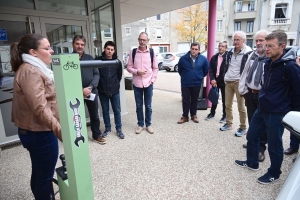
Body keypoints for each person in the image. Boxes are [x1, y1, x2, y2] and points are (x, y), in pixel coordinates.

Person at [235, 31, 300, 184]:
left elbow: (298, 92)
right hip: (262, 108)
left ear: (282, 46)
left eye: (271, 46)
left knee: (274, 144)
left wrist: (294, 113)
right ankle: (252, 163)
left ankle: (274, 173)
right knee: (251, 136)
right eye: (266, 45)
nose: (267, 49)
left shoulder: (290, 66)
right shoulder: (268, 62)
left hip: (277, 112)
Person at [10, 33, 62, 200]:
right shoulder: (31, 71)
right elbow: (40, 107)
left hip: (36, 131)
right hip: (40, 133)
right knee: (44, 178)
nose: (51, 51)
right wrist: (59, 130)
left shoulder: (34, 68)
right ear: (33, 52)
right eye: (46, 48)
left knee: (40, 172)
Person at [239, 30, 269, 162]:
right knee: (252, 120)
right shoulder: (251, 55)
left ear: (267, 41)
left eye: (261, 40)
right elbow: (245, 73)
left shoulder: (270, 57)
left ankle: (261, 148)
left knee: (262, 123)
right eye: (257, 40)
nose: (258, 43)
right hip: (250, 93)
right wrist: (244, 91)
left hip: (263, 96)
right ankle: (252, 142)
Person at [72, 35, 106, 144]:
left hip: (91, 92)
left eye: (82, 44)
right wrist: (81, 89)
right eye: (77, 44)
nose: (80, 46)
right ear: (73, 44)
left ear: (84, 46)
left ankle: (96, 135)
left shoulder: (90, 58)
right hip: (76, 93)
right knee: (76, 115)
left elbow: (97, 74)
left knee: (94, 115)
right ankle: (77, 136)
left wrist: (89, 88)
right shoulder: (68, 59)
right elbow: (68, 78)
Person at [220, 31, 252, 136]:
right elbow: (226, 65)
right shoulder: (230, 52)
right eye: (234, 39)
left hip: (239, 83)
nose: (235, 41)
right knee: (227, 104)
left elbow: (250, 69)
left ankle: (243, 127)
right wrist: (225, 77)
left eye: (238, 39)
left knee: (241, 106)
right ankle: (229, 123)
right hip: (229, 81)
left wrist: (243, 80)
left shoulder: (248, 52)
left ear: (244, 40)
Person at [127, 32, 159, 134]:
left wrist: (152, 80)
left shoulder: (151, 52)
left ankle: (148, 124)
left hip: (148, 83)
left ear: (148, 41)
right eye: (140, 39)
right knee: (139, 106)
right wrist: (137, 72)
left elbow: (155, 68)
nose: (142, 41)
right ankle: (140, 125)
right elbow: (128, 67)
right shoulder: (133, 52)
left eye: (144, 40)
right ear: (138, 39)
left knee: (148, 106)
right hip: (137, 83)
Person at [95, 41, 124, 139]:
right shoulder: (98, 60)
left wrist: (115, 83)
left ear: (114, 51)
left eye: (112, 50)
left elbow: (119, 75)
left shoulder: (117, 62)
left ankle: (119, 129)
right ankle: (108, 128)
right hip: (102, 90)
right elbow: (95, 74)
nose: (109, 51)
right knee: (105, 111)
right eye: (108, 49)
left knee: (116, 110)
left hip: (114, 91)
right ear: (104, 49)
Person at [177, 42, 209, 124]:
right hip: (185, 83)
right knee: (186, 100)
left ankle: (193, 115)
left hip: (197, 83)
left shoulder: (203, 59)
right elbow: (180, 70)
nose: (194, 51)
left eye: (196, 49)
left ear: (199, 50)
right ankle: (185, 116)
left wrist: (199, 76)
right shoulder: (183, 59)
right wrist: (185, 77)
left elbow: (206, 70)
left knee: (195, 100)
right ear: (190, 49)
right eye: (192, 49)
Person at [205, 41, 228, 123]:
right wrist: (212, 79)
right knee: (214, 97)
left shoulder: (228, 57)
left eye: (223, 46)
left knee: (225, 100)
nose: (220, 47)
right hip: (215, 81)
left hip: (224, 82)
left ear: (226, 48)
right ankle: (212, 113)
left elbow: (227, 71)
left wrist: (218, 80)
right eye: (219, 46)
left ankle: (225, 116)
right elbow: (210, 69)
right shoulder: (214, 57)